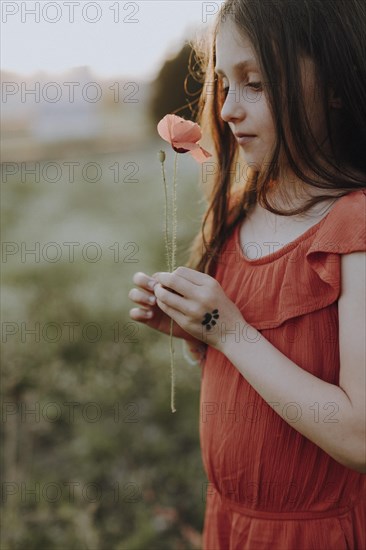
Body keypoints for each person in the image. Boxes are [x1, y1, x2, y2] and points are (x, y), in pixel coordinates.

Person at [128, 0, 366, 547]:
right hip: (231, 525)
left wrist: (229, 331)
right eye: (223, 85)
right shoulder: (242, 214)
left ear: (332, 85)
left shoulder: (353, 228)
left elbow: (357, 437)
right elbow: (262, 362)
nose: (230, 108)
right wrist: (200, 336)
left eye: (254, 83)